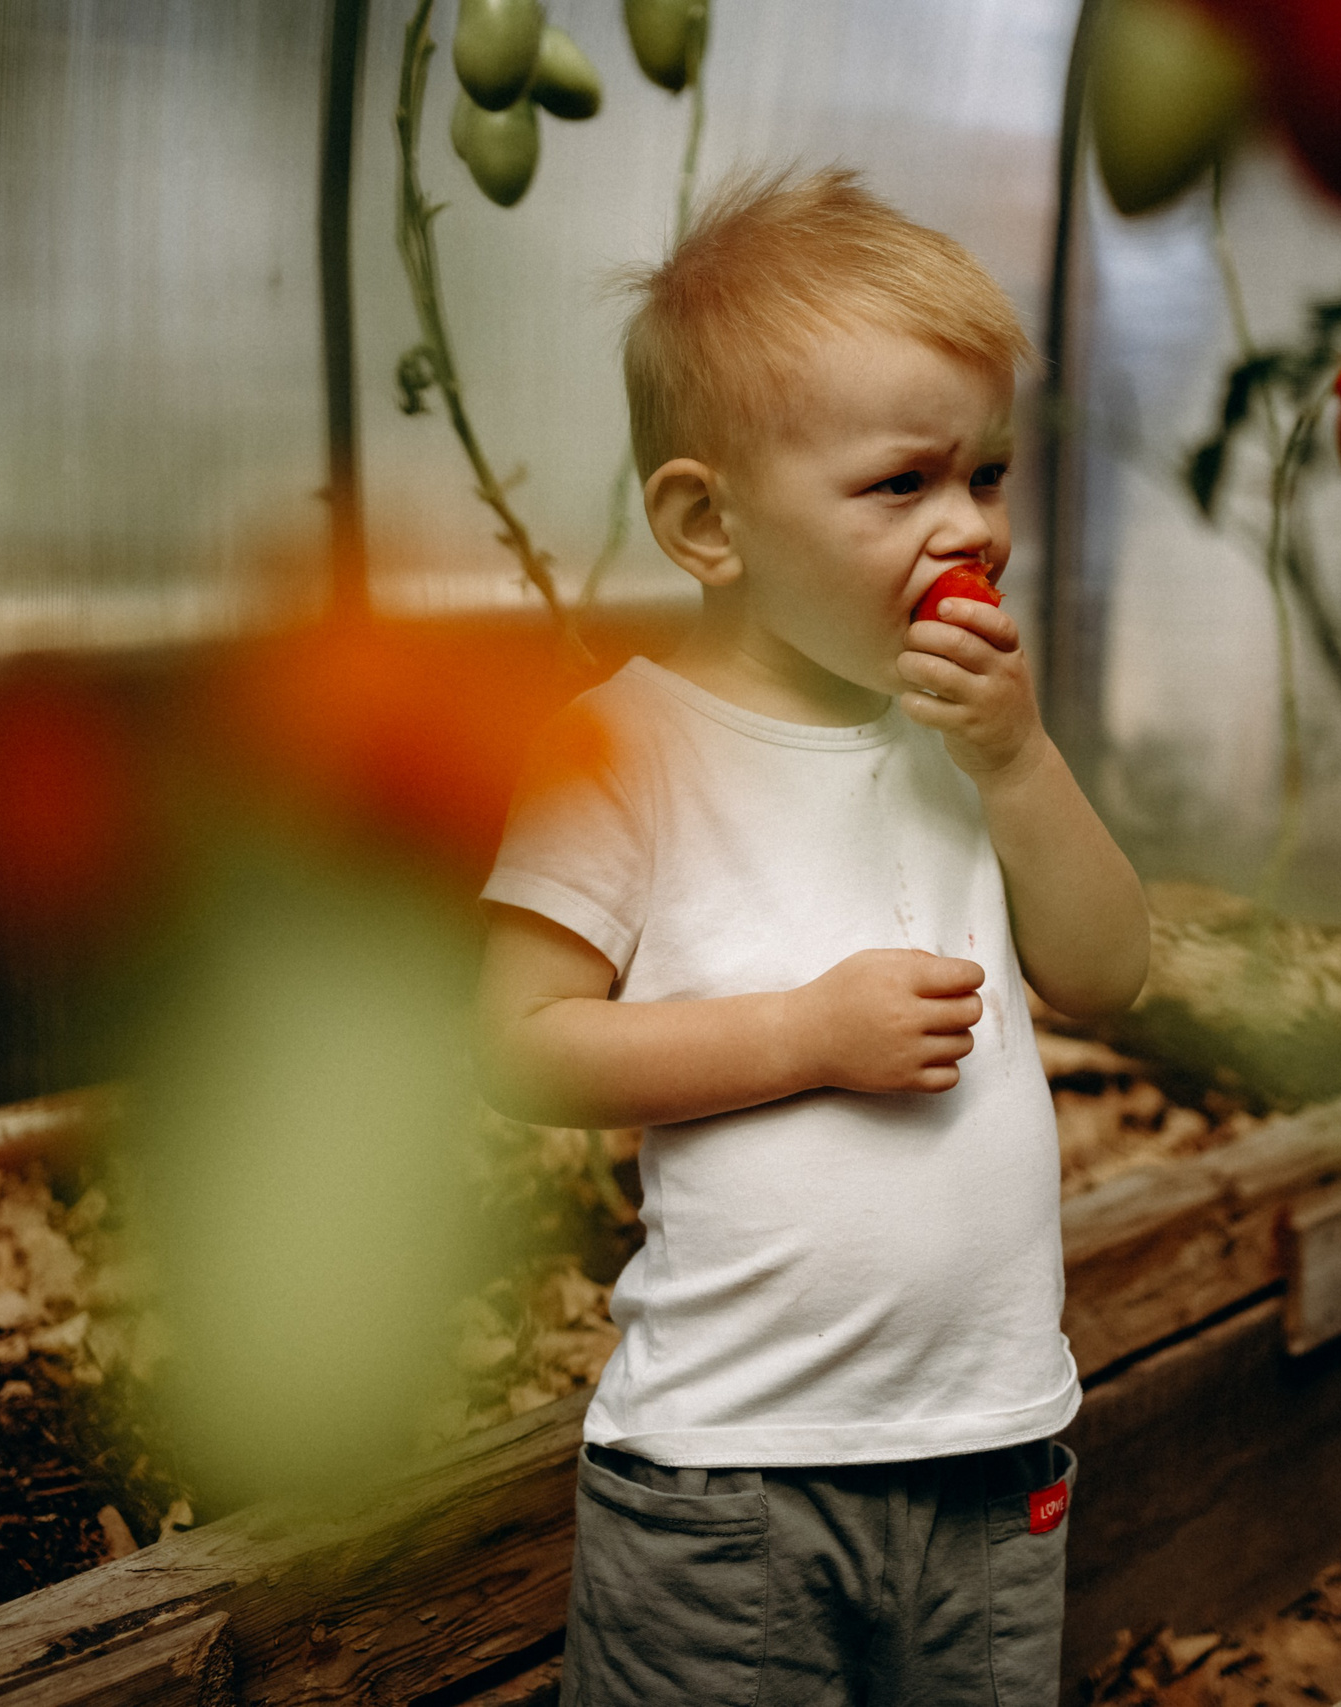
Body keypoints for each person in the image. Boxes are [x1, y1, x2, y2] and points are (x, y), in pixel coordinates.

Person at [474, 167, 1151, 1706]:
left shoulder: (970, 733)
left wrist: (1023, 764)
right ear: (709, 522)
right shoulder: (624, 750)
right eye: (901, 485)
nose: (969, 527)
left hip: (990, 1448)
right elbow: (518, 1042)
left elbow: (1110, 970)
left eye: (987, 475)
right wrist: (802, 1034)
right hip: (731, 1480)